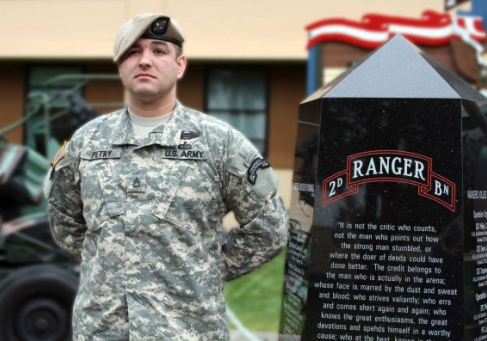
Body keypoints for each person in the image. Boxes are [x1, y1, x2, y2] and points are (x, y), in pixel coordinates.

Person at [44, 12, 288, 341]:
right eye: (133, 52)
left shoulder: (219, 144)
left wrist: (207, 268)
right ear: (120, 66)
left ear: (180, 65)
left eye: (159, 51)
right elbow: (63, 221)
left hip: (188, 330)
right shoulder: (85, 144)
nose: (145, 60)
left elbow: (270, 227)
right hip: (102, 330)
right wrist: (108, 259)